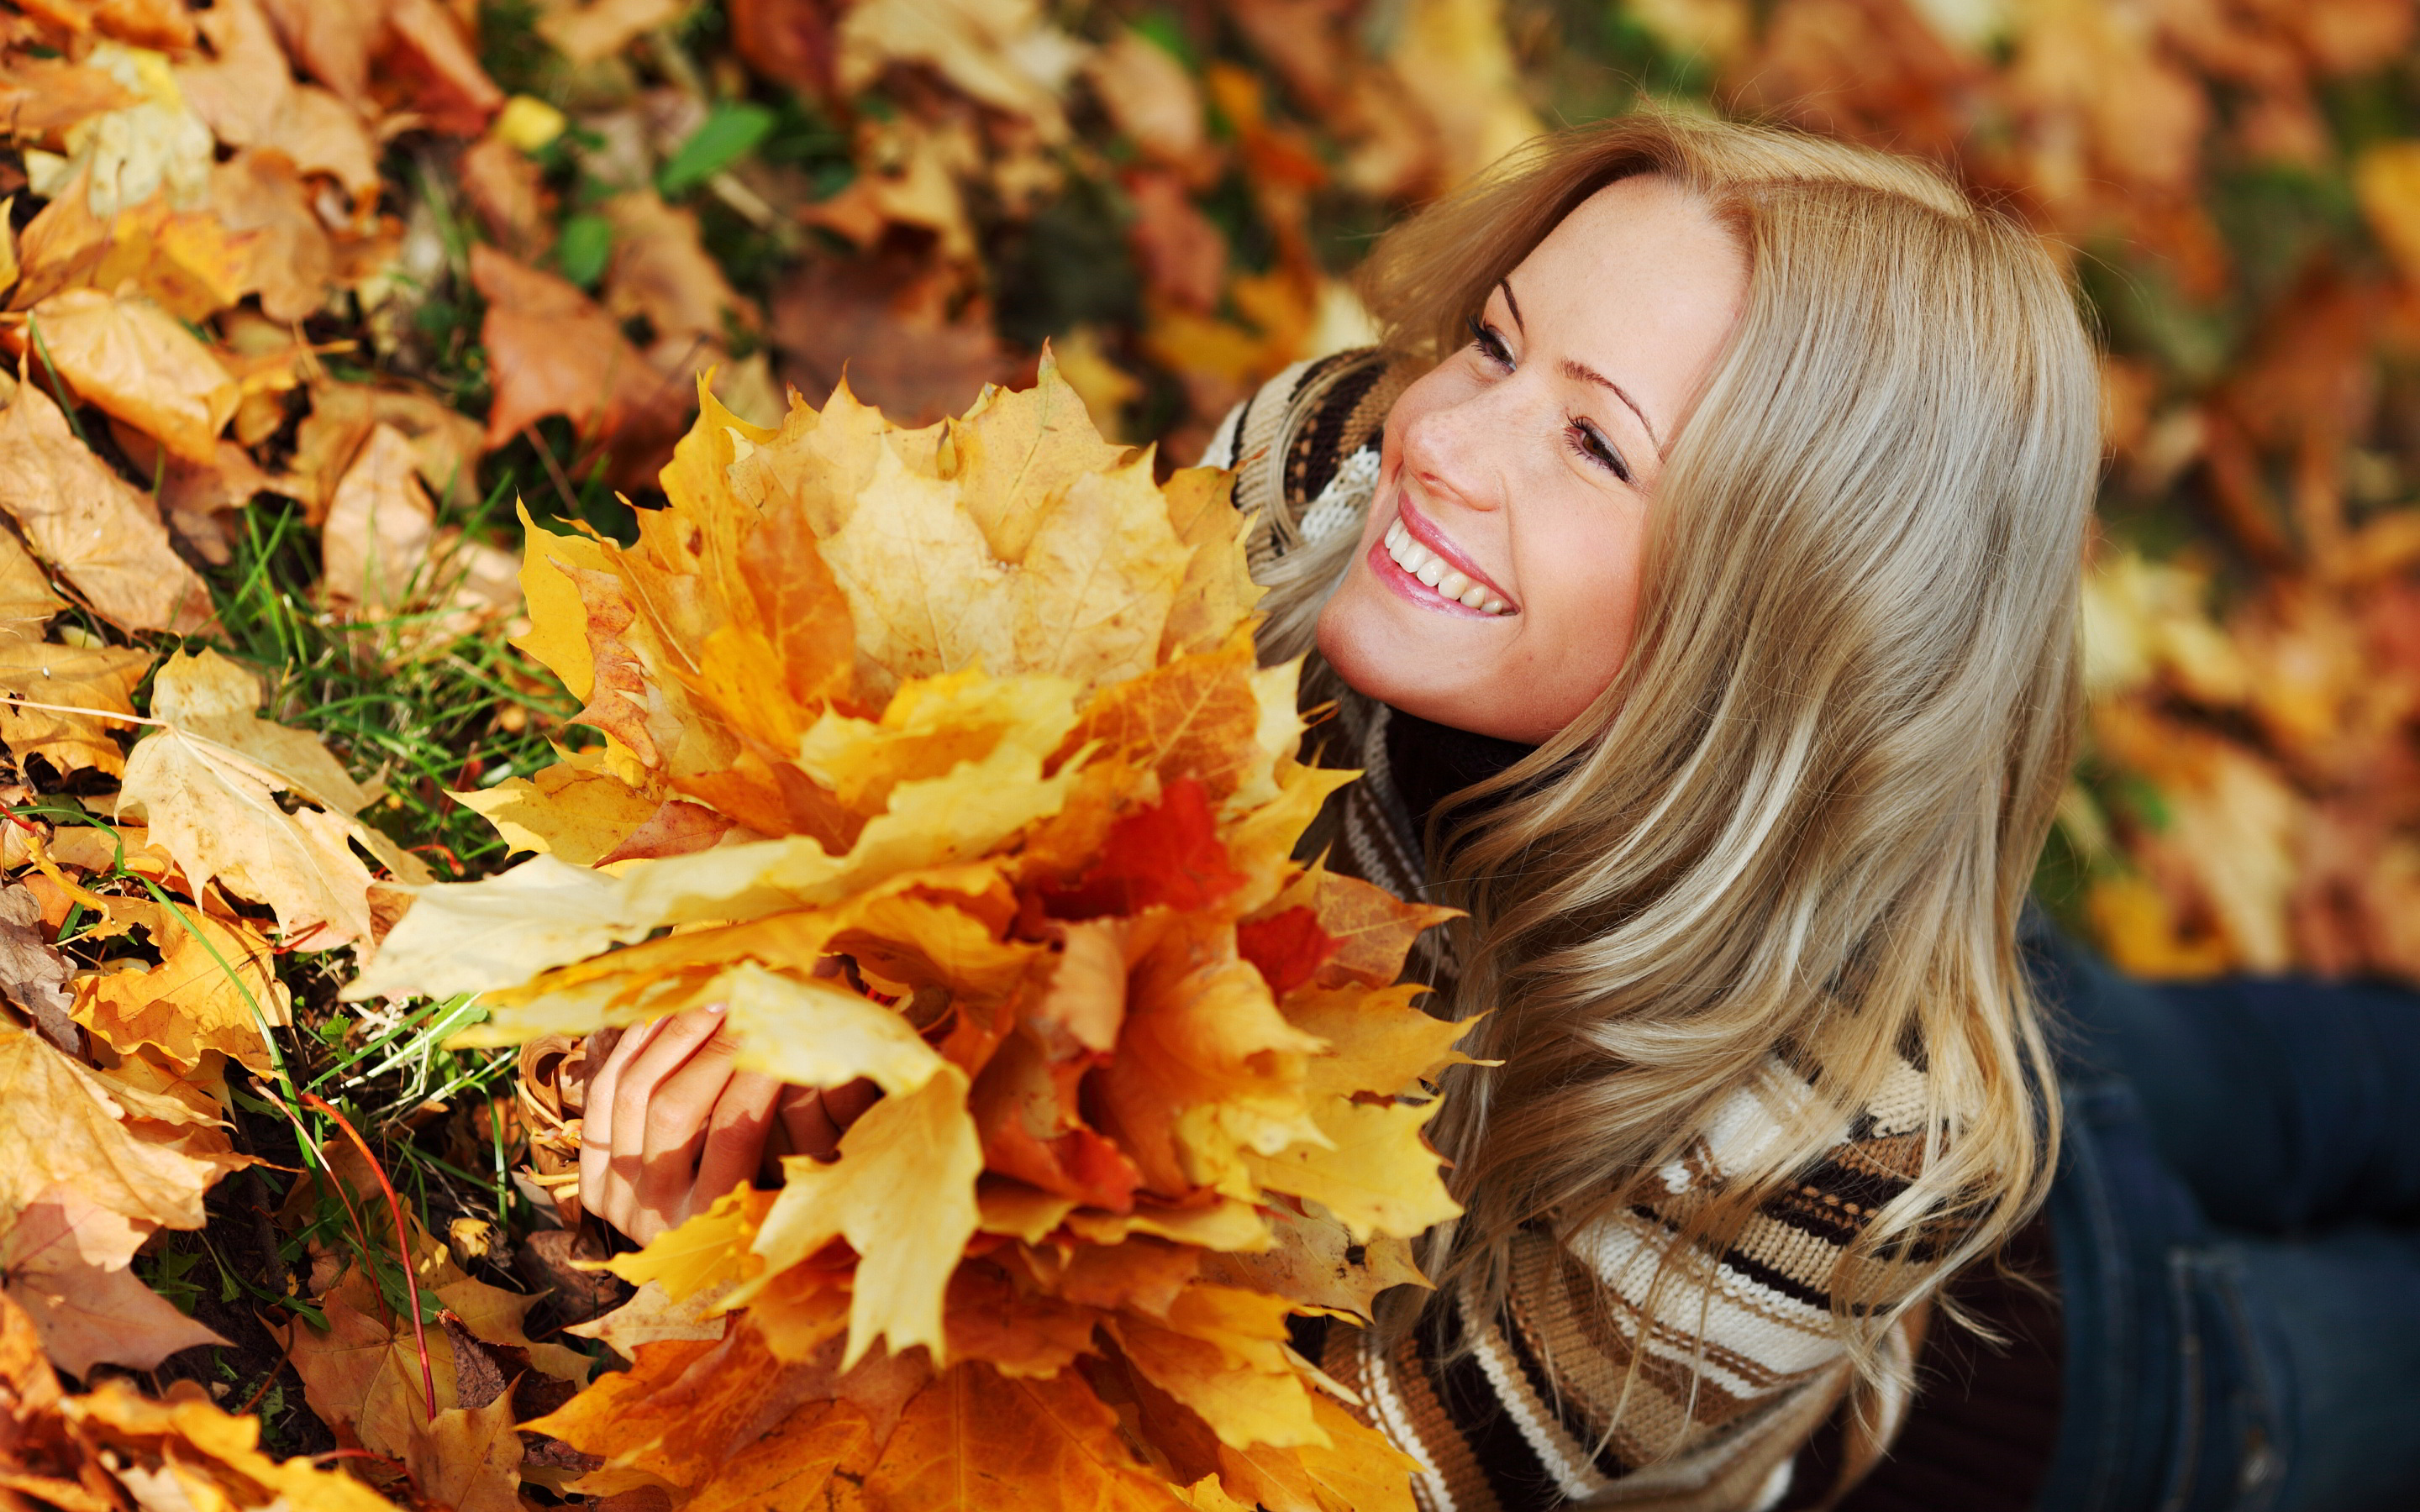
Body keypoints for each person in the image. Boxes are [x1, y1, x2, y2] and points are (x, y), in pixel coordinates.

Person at [572, 114, 2420, 1510]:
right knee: (2236, 1068)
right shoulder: (1326, 477)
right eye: (1499, 342)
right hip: (1847, 931)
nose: (1445, 439)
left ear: (1786, 627)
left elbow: (1325, 1473)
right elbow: (1010, 838)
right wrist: (825, 1049)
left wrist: (858, 1274)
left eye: (1595, 442)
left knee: (2345, 1237)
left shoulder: (1811, 1144)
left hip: (2079, 1360)